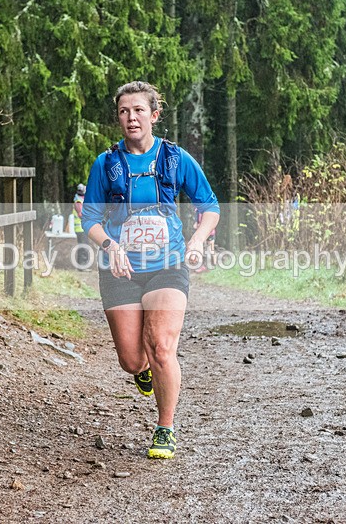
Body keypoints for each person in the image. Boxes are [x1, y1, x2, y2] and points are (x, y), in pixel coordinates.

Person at [81, 81, 219, 459]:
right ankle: (142, 371)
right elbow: (89, 217)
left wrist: (195, 241)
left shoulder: (175, 159)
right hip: (120, 270)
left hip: (168, 265)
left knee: (161, 347)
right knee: (132, 359)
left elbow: (210, 207)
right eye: (124, 112)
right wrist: (110, 245)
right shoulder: (106, 164)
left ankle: (165, 429)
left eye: (139, 110)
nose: (131, 118)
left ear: (155, 115)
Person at [193, 205, 218, 273]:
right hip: (202, 232)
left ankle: (214, 265)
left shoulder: (209, 210)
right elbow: (197, 222)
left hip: (209, 232)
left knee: (210, 249)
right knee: (203, 249)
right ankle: (204, 266)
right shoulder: (198, 210)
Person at [72, 183, 89, 267]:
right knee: (83, 247)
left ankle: (81, 265)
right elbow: (81, 214)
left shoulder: (80, 199)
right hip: (80, 228)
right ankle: (82, 266)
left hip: (82, 227)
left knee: (83, 247)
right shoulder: (78, 201)